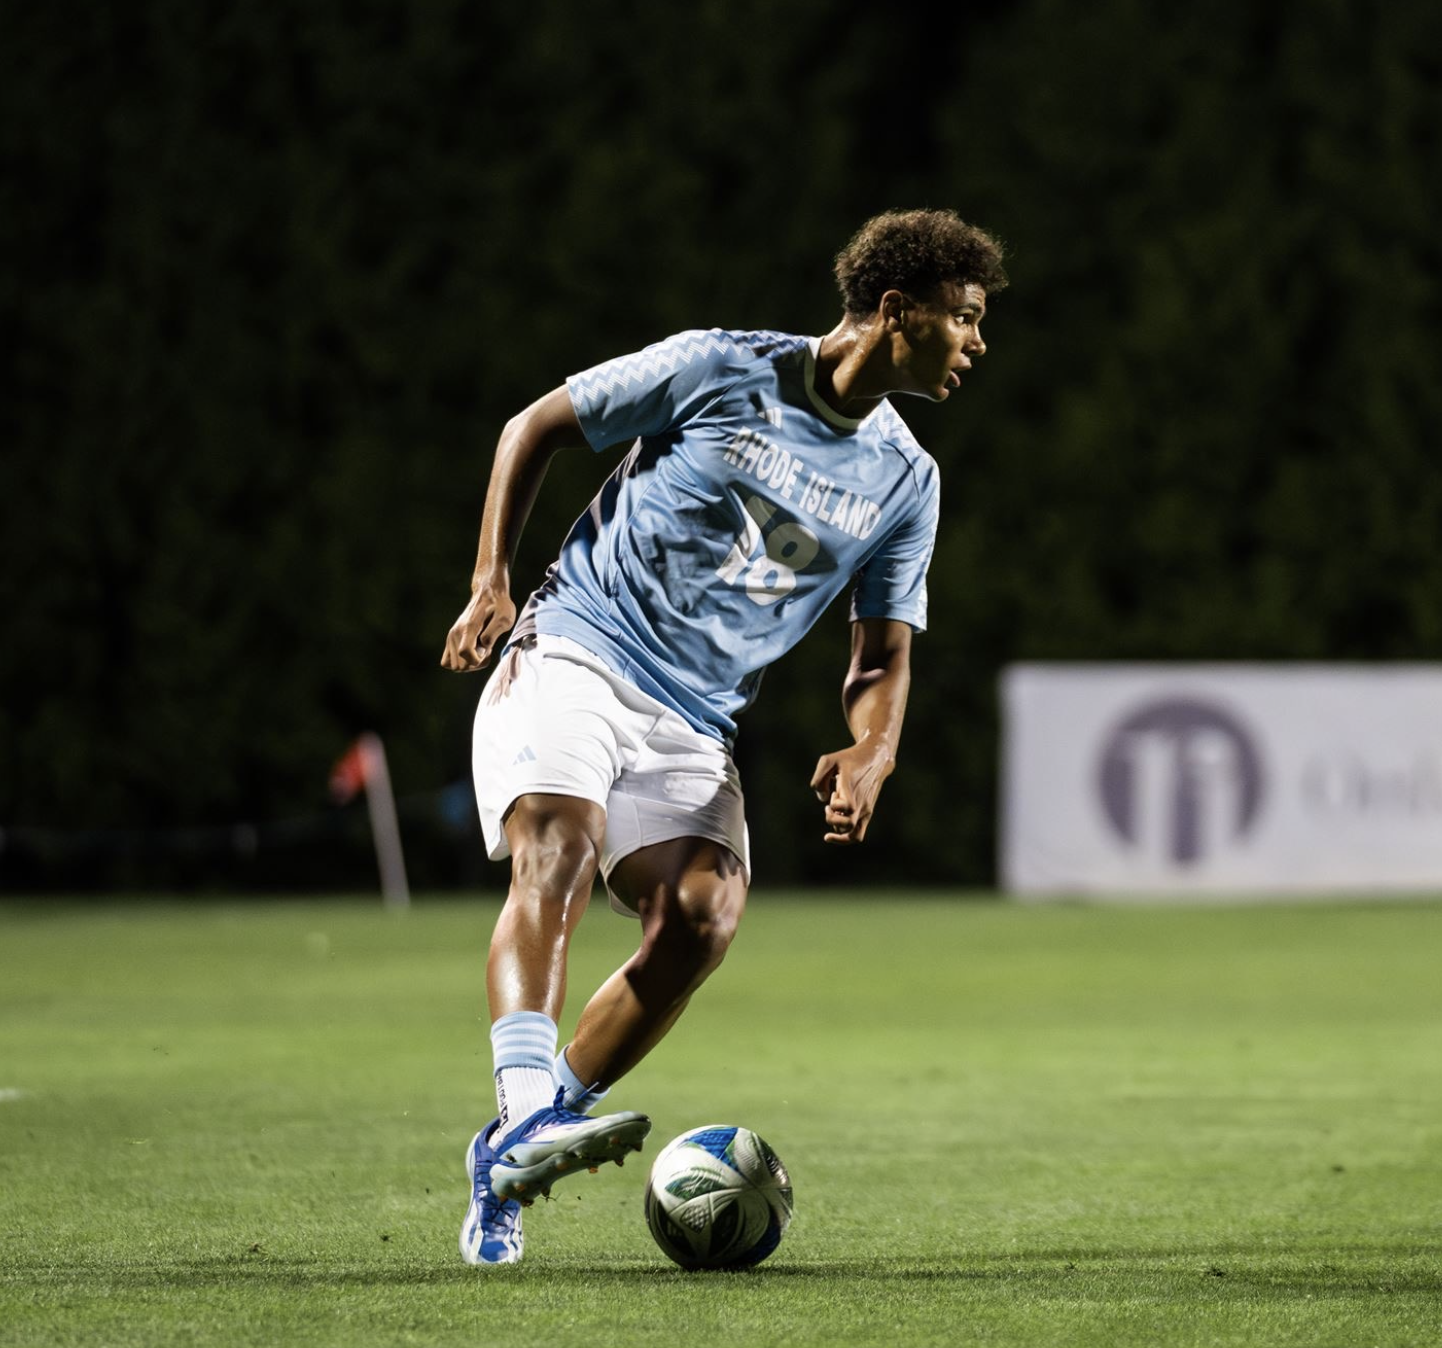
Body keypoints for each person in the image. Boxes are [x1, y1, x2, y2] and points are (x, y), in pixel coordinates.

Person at [440, 208, 1006, 1266]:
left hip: (695, 719)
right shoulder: (718, 367)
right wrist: (490, 578)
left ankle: (519, 1139)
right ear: (896, 311)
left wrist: (874, 748)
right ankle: (523, 1117)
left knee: (702, 916)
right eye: (963, 317)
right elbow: (534, 425)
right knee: (556, 845)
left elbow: (881, 653)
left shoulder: (907, 480)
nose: (976, 341)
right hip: (578, 644)